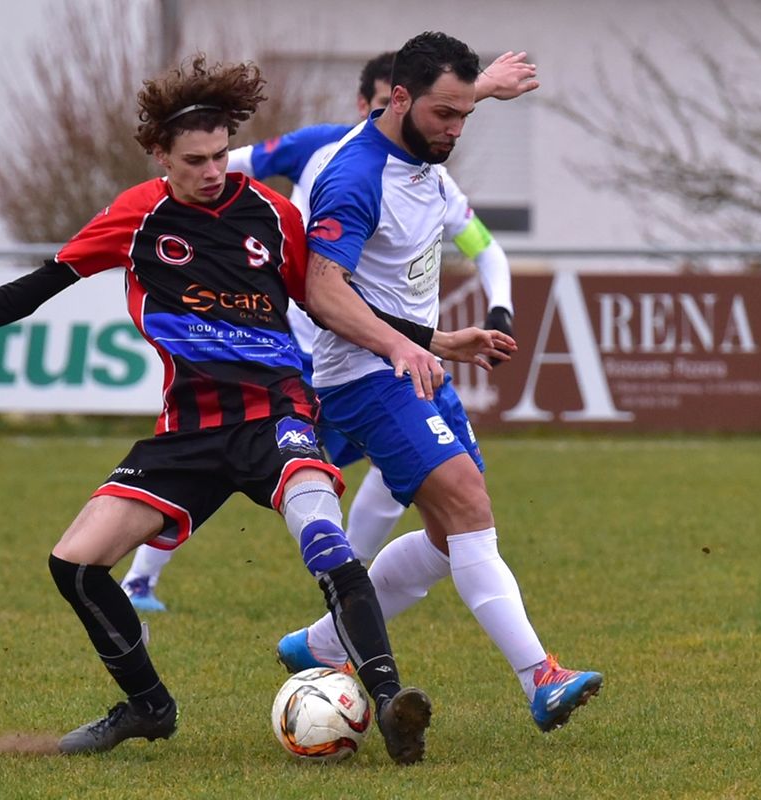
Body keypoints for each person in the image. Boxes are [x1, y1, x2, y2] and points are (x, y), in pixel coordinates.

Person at [0, 55, 515, 764]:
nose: (213, 170)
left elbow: (328, 298)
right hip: (190, 429)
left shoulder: (272, 214)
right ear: (159, 156)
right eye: (194, 159)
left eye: (221, 154)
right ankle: (148, 708)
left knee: (324, 538)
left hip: (275, 413)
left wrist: (432, 338)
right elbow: (35, 288)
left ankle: (387, 702)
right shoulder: (137, 217)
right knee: (74, 562)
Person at [120, 48, 528, 612]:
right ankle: (141, 576)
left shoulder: (425, 168)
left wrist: (482, 86)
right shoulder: (322, 146)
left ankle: (346, 590)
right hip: (307, 348)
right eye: (385, 103)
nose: (401, 114)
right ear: (370, 104)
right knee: (230, 459)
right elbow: (221, 163)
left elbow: (484, 243)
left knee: (403, 473)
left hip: (387, 350)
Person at [279, 31, 604, 735]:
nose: (454, 130)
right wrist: (406, 344)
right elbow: (321, 291)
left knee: (448, 532)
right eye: (444, 116)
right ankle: (540, 677)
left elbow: (444, 98)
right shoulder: (353, 178)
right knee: (464, 503)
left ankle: (320, 644)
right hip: (364, 375)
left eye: (465, 114)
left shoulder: (422, 136)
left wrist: (484, 86)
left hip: (411, 364)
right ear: (398, 101)